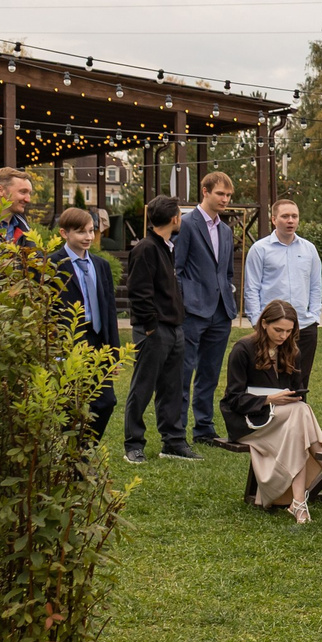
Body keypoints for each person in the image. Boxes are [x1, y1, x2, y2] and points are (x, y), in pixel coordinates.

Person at [222, 299, 322, 524]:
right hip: (249, 420)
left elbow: (297, 392)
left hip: (286, 419)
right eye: (278, 330)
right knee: (300, 412)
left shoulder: (292, 351)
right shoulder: (243, 349)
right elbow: (233, 399)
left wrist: (291, 397)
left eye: (288, 331)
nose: (283, 336)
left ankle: (298, 503)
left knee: (300, 413)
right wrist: (268, 399)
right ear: (264, 324)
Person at [122, 194, 194, 464]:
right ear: (174, 217)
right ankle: (134, 445)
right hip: (154, 330)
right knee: (142, 387)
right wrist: (150, 327)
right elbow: (138, 292)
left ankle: (173, 442)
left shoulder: (167, 246)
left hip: (174, 329)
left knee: (172, 387)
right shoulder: (145, 248)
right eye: (179, 214)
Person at [175, 171, 241, 447]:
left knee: (210, 372)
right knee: (183, 371)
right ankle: (176, 432)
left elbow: (226, 271)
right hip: (192, 310)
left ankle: (204, 428)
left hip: (220, 311)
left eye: (228, 195)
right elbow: (176, 268)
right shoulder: (186, 224)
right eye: (220, 194)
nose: (225, 199)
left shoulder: (226, 230)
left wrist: (227, 292)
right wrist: (186, 300)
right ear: (205, 191)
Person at [243, 199, 322, 388]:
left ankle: (299, 415)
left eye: (294, 216)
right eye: (285, 216)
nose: (290, 221)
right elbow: (252, 288)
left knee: (301, 380)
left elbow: (315, 285)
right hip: (272, 327)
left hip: (304, 326)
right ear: (274, 219)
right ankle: (269, 416)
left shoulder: (309, 249)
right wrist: (257, 321)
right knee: (270, 379)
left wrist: (314, 316)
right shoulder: (260, 249)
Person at [52, 206, 118, 439]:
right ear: (64, 233)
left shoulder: (101, 265)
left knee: (106, 401)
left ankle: (84, 452)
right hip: (70, 342)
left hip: (98, 339)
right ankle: (71, 455)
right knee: (72, 403)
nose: (88, 237)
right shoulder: (53, 264)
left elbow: (110, 309)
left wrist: (114, 352)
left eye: (91, 231)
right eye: (81, 232)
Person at [0, 166, 35, 243]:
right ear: (0, 190)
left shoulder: (24, 228)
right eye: (23, 192)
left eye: (29, 193)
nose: (28, 199)